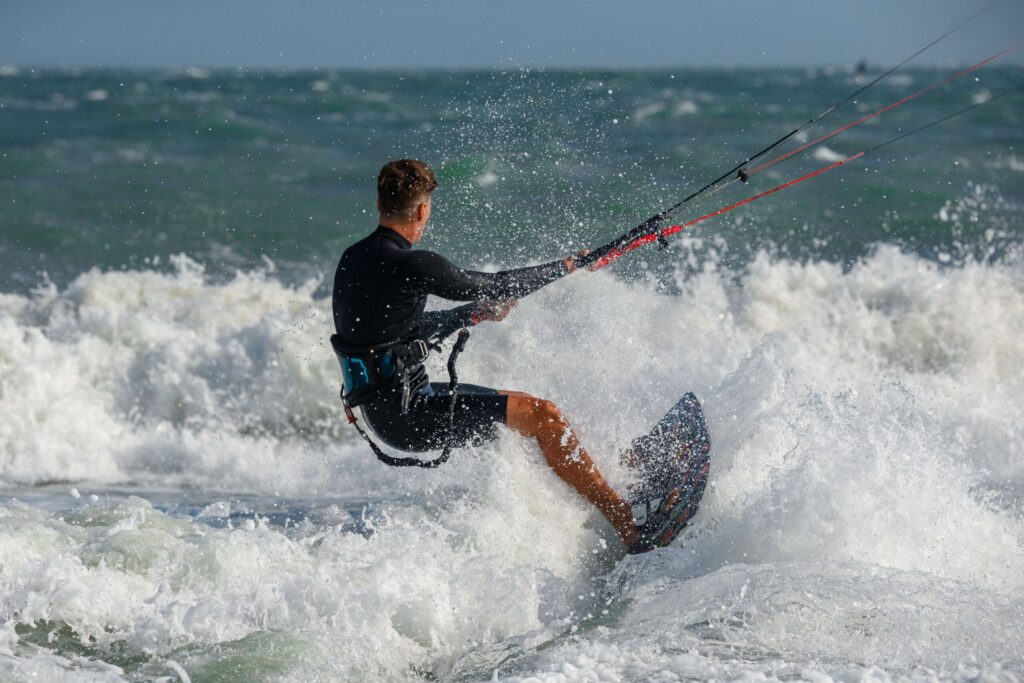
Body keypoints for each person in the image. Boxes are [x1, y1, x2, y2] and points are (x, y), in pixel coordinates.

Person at [331, 159, 655, 553]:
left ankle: (608, 493)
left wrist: (469, 314)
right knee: (544, 416)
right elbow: (498, 283)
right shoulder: (415, 263)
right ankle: (628, 523)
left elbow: (392, 331)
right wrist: (572, 264)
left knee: (522, 415)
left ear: (380, 204)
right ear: (421, 210)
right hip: (408, 413)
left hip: (388, 408)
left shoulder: (354, 258)